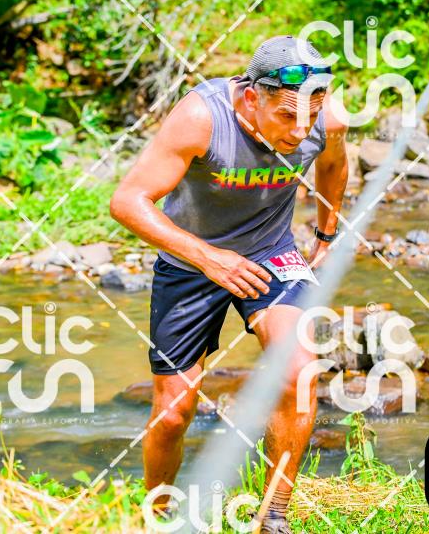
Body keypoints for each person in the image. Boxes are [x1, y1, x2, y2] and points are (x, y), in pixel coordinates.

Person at [110, 35, 348, 534]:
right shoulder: (203, 118)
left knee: (299, 369)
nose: (299, 131)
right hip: (191, 259)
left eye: (309, 117)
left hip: (270, 251)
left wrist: (327, 234)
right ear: (252, 95)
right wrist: (209, 258)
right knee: (173, 414)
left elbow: (333, 165)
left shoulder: (326, 120)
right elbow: (128, 201)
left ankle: (273, 517)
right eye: (287, 116)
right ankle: (156, 517)